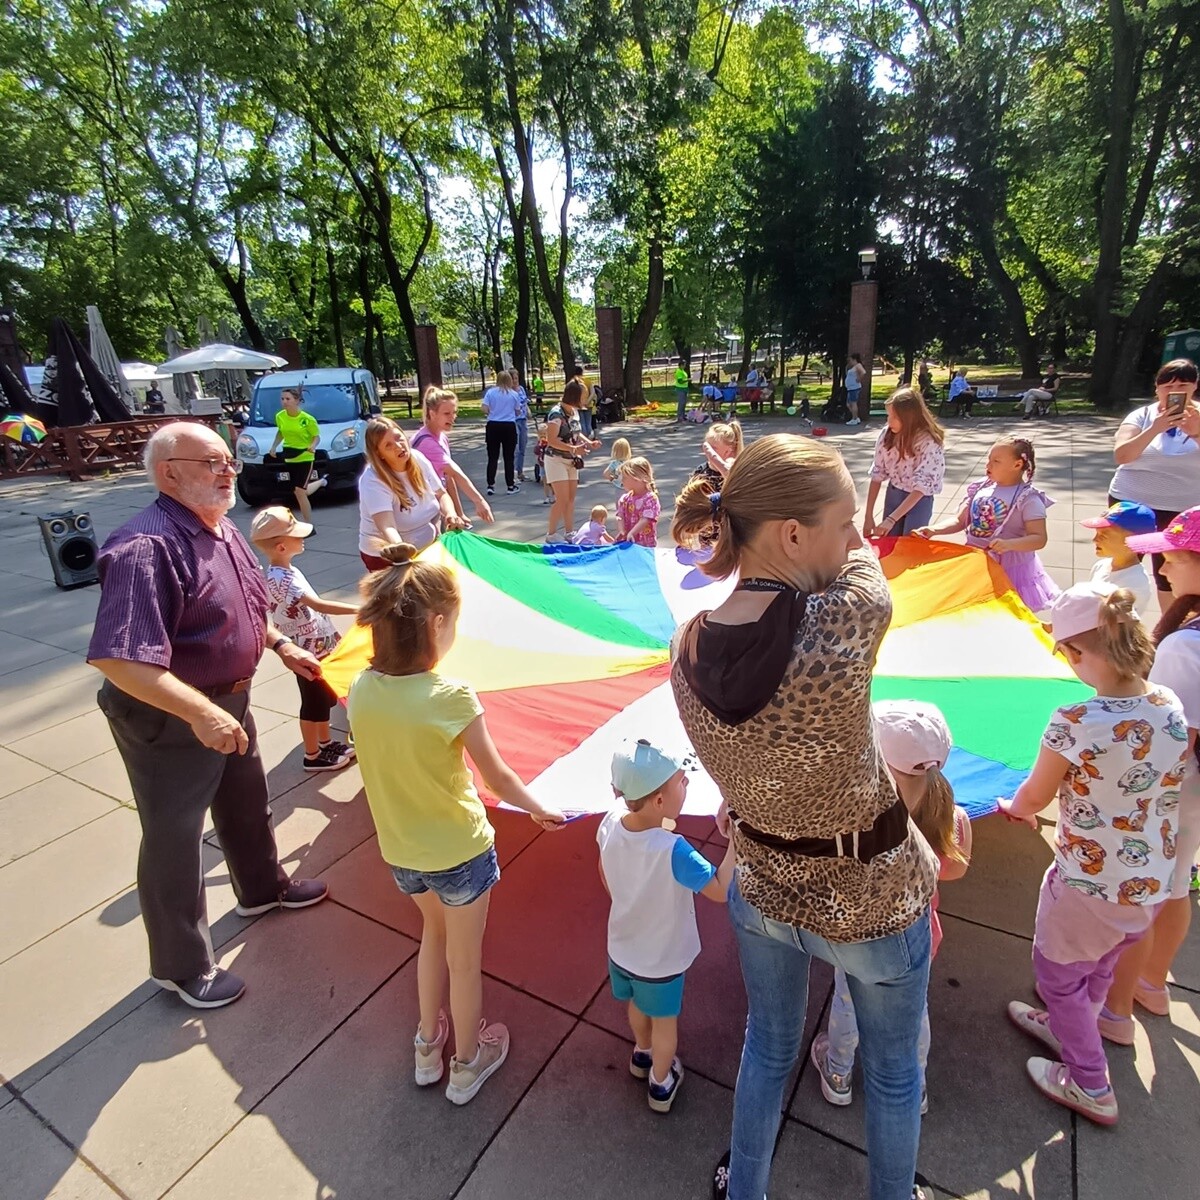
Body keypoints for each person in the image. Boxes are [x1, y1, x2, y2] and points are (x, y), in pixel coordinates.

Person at [670, 434, 938, 1200]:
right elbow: (865, 571)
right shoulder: (846, 623)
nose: (857, 536)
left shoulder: (685, 646)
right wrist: (755, 478)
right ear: (791, 533)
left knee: (768, 1045)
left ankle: (743, 1187)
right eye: (845, 518)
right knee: (891, 1072)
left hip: (762, 886)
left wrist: (750, 485)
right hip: (874, 899)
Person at [87, 423, 329, 1010]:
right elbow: (119, 660)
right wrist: (200, 712)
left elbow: (246, 604)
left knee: (246, 801)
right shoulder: (144, 547)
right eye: (211, 462)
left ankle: (262, 888)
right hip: (169, 716)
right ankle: (180, 965)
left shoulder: (222, 531)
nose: (227, 472)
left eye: (230, 461)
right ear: (168, 472)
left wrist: (279, 643)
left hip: (229, 699)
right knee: (175, 835)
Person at [346, 543, 564, 1104]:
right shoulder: (450, 696)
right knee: (465, 963)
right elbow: (498, 779)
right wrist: (539, 807)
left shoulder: (361, 690)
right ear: (437, 623)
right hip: (459, 854)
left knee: (431, 936)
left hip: (402, 854)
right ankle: (469, 1062)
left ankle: (426, 1046)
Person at [998, 582, 1185, 1125]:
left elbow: (1035, 795)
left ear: (1076, 654)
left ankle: (1089, 1081)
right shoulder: (1167, 703)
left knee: (1056, 973)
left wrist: (1016, 805)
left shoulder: (1076, 722)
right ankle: (1073, 1020)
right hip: (1148, 881)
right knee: (1100, 963)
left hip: (1088, 884)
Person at [811, 701, 971, 1116]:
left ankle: (838, 1072)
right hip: (915, 942)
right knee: (913, 1015)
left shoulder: (852, 821)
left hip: (857, 941)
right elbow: (953, 870)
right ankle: (913, 1087)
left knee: (848, 1005)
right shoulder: (953, 819)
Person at [1102, 507, 1200, 1040]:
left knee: (1145, 891)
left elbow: (1170, 733)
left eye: (1175, 557)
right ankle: (1154, 983)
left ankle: (1115, 1008)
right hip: (1187, 789)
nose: (1162, 569)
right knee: (1177, 879)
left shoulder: (1185, 647)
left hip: (1173, 785)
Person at [597, 738, 735, 1113]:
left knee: (637, 1007)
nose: (687, 785)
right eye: (682, 782)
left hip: (622, 950)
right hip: (660, 961)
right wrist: (737, 843)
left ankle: (641, 1054)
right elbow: (720, 889)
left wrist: (626, 900)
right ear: (659, 801)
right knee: (665, 1022)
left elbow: (603, 870)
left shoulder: (610, 823)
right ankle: (661, 1081)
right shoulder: (672, 850)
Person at [251, 506, 357, 774]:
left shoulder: (287, 570)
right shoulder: (281, 579)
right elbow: (318, 604)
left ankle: (325, 742)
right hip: (306, 651)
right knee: (313, 702)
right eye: (297, 536)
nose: (303, 540)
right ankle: (312, 754)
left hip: (317, 646)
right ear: (281, 546)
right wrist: (359, 609)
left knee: (322, 699)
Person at [915, 436, 1060, 613]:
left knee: (1006, 613)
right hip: (976, 561)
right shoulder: (980, 488)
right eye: (989, 460)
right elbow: (960, 521)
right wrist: (933, 530)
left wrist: (1009, 544)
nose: (988, 465)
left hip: (1009, 569)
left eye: (996, 461)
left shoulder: (1028, 498)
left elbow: (1039, 538)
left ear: (1017, 465)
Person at [1105, 358, 1200, 612]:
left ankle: (1170, 634)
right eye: (1167, 386)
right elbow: (1122, 456)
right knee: (1120, 566)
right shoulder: (1141, 416)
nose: (1174, 391)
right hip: (1131, 503)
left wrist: (1196, 433)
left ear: (1194, 387)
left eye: (1183, 384)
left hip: (1180, 511)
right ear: (1157, 389)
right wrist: (1155, 429)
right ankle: (1112, 626)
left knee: (1170, 574)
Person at [358, 417, 467, 572]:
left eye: (399, 438)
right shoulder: (373, 481)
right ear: (379, 454)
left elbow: (441, 494)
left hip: (427, 545)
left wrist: (450, 514)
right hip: (385, 558)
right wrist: (399, 548)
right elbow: (386, 525)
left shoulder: (417, 458)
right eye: (388, 445)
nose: (398, 446)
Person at [863, 387, 946, 537]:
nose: (889, 421)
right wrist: (868, 515)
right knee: (890, 541)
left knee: (912, 541)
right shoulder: (887, 435)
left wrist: (892, 519)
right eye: (888, 416)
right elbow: (877, 474)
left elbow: (921, 487)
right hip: (894, 494)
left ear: (910, 417)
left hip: (918, 500)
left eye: (894, 417)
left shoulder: (928, 441)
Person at [410, 387, 494, 525]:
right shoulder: (427, 443)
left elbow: (449, 477)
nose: (452, 417)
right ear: (432, 413)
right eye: (447, 413)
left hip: (436, 506)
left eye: (454, 412)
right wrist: (479, 501)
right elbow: (456, 472)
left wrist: (458, 513)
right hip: (423, 512)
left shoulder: (441, 437)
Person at [544, 379, 600, 543]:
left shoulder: (573, 412)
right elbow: (551, 440)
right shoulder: (556, 414)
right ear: (575, 396)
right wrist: (574, 449)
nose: (585, 399)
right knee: (561, 499)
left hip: (571, 460)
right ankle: (551, 533)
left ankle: (569, 532)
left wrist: (589, 443)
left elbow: (576, 431)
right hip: (556, 459)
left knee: (570, 499)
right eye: (583, 395)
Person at [1079, 501, 1155, 616]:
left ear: (1133, 542)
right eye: (1097, 533)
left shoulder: (1135, 584)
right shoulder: (1101, 565)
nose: (1095, 540)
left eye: (1104, 535)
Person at [267, 387, 325, 525]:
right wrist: (274, 446)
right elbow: (281, 432)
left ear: (297, 401)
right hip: (290, 456)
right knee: (300, 491)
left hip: (305, 457)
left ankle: (308, 524)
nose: (284, 402)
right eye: (282, 399)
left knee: (299, 492)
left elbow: (316, 437)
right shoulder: (280, 416)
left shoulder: (307, 419)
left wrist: (312, 445)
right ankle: (321, 482)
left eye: (288, 399)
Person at [480, 369, 521, 495]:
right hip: (509, 425)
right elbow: (518, 411)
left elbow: (484, 408)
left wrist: (493, 411)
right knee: (509, 457)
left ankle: (490, 484)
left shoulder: (491, 393)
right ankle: (510, 485)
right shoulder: (514, 394)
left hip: (493, 425)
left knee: (492, 457)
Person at [616, 457, 661, 547]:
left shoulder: (650, 498)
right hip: (629, 542)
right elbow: (620, 515)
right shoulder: (626, 498)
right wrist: (622, 530)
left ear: (637, 478)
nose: (622, 481)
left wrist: (632, 532)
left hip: (645, 545)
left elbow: (645, 519)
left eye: (625, 478)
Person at [515, 378, 531, 479]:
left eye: (517, 378)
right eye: (513, 378)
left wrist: (528, 412)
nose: (515, 380)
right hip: (513, 421)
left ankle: (520, 472)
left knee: (522, 446)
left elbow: (525, 402)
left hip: (523, 420)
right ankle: (513, 473)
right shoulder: (509, 392)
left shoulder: (521, 388)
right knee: (515, 448)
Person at [844, 353, 866, 426]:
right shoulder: (853, 367)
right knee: (848, 404)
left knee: (853, 403)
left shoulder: (858, 365)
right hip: (850, 388)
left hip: (854, 387)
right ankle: (856, 417)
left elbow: (863, 372)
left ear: (854, 359)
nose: (850, 361)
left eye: (850, 360)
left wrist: (859, 379)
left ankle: (854, 419)